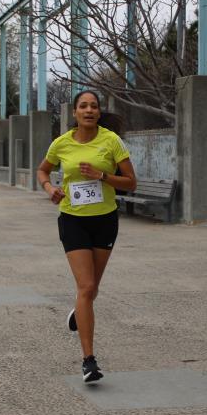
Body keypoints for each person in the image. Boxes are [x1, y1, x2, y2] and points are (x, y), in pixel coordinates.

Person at [37, 89, 137, 384]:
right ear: (75, 112)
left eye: (94, 106)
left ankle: (78, 312)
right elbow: (42, 171)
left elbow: (131, 182)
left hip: (105, 221)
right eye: (83, 106)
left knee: (91, 291)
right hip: (73, 220)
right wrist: (49, 188)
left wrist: (101, 176)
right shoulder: (61, 143)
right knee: (87, 286)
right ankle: (88, 361)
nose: (89, 110)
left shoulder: (111, 141)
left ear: (98, 112)